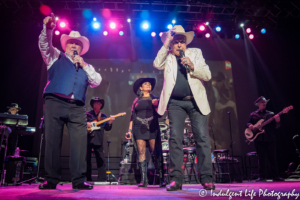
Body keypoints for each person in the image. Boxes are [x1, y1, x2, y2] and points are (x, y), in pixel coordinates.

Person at [38, 13, 101, 190]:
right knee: (52, 140)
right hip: (55, 101)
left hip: (77, 107)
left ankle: (79, 180)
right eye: (72, 43)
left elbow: (96, 81)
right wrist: (49, 29)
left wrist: (83, 65)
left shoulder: (86, 66)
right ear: (66, 45)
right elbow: (44, 44)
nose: (74, 45)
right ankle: (51, 179)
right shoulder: (54, 56)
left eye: (77, 44)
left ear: (81, 49)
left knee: (80, 143)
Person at [153, 25, 214, 190]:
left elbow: (207, 75)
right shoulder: (168, 56)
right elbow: (157, 64)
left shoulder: (196, 53)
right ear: (172, 44)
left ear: (186, 43)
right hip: (175, 103)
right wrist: (166, 44)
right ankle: (176, 179)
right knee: (175, 139)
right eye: (176, 41)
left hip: (195, 101)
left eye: (182, 41)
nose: (179, 44)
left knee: (202, 138)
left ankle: (207, 178)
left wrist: (192, 66)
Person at [125, 78, 166, 187]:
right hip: (138, 127)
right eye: (145, 84)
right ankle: (144, 180)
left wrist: (156, 105)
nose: (148, 85)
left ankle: (162, 178)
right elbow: (132, 116)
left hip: (152, 127)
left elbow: (160, 114)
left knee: (155, 152)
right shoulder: (136, 100)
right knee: (141, 152)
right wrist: (129, 130)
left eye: (149, 84)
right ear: (141, 87)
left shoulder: (155, 99)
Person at [246, 96, 288, 182]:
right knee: (261, 158)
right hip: (259, 139)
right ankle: (262, 177)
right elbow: (248, 123)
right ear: (258, 104)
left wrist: (277, 121)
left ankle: (276, 176)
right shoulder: (253, 114)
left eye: (264, 102)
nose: (263, 103)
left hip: (270, 138)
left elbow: (276, 127)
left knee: (272, 158)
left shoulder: (271, 114)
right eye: (261, 102)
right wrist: (249, 125)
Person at [86, 97, 115, 181]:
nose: (97, 105)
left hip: (98, 140)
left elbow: (107, 128)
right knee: (86, 160)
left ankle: (102, 179)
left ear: (101, 105)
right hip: (87, 139)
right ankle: (87, 178)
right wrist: (87, 124)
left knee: (101, 160)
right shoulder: (87, 114)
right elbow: (81, 124)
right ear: (92, 104)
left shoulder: (103, 116)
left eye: (99, 103)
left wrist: (110, 122)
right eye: (95, 103)